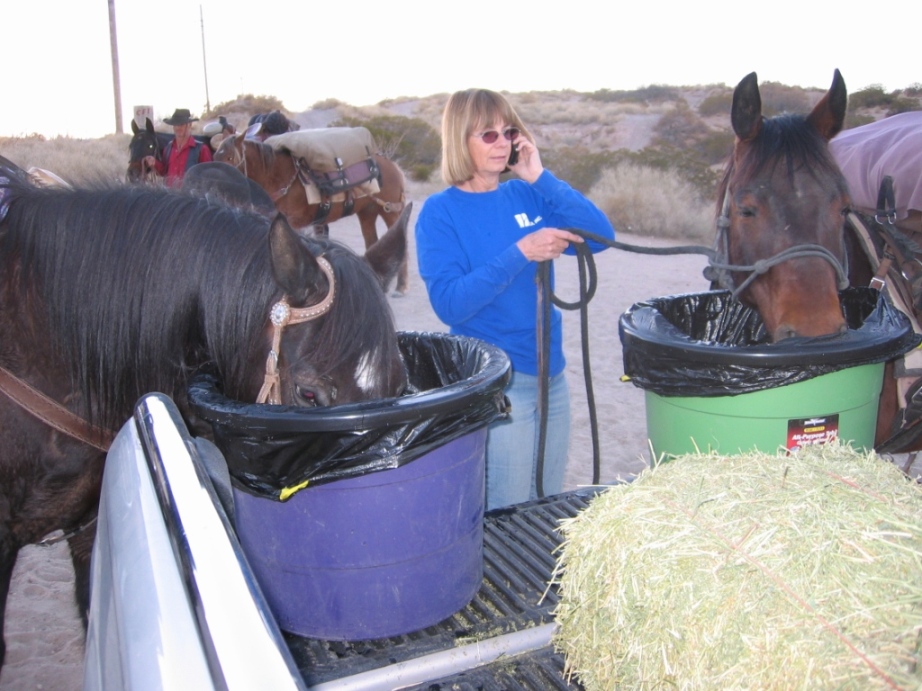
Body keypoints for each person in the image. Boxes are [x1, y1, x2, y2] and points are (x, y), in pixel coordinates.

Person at [415, 89, 615, 510]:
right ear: (459, 139)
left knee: (547, 504)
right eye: (488, 135)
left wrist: (540, 176)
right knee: (507, 513)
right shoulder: (440, 212)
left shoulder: (526, 195)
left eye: (508, 132)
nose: (503, 143)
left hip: (551, 379)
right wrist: (521, 252)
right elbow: (450, 303)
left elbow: (601, 237)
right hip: (500, 386)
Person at [143, 108, 212, 187]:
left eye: (181, 124)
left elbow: (208, 178)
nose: (178, 128)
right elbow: (164, 172)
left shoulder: (201, 149)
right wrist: (154, 163)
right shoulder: (168, 148)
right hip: (170, 196)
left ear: (189, 125)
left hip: (190, 197)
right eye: (175, 125)